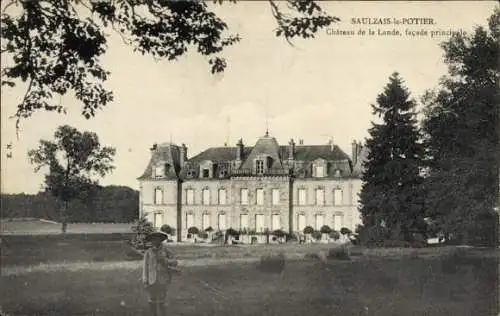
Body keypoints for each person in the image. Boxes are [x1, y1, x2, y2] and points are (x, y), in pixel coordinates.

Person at [142, 231, 180, 316]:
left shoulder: (166, 251)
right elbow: (145, 267)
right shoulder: (148, 252)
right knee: (152, 300)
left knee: (162, 300)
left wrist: (164, 260)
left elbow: (175, 262)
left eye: (157, 239)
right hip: (152, 280)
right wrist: (145, 280)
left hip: (163, 279)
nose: (155, 241)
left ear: (161, 240)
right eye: (153, 240)